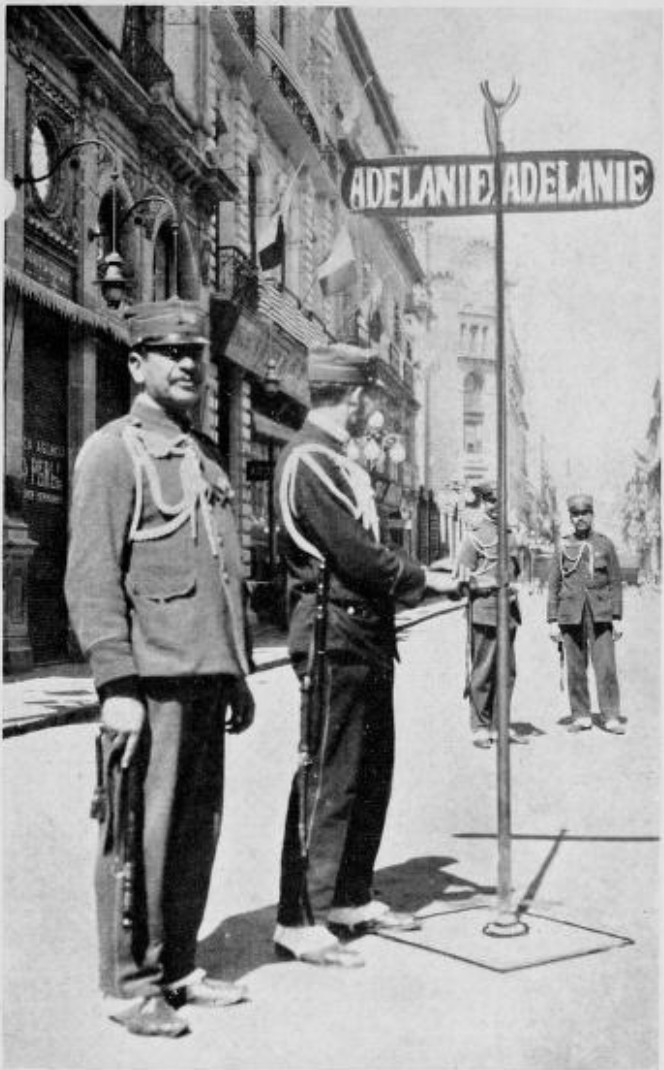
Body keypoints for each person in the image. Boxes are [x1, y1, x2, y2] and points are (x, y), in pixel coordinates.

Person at [65, 297, 256, 1038]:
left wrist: (235, 671)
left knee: (192, 832)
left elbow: (220, 575)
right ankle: (127, 984)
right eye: (170, 353)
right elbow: (90, 576)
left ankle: (175, 963)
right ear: (136, 363)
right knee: (137, 832)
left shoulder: (201, 455)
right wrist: (114, 683)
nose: (187, 365)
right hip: (148, 683)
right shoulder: (114, 452)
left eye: (196, 355)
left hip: (204, 676)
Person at [272, 342, 470, 968]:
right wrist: (426, 579)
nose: (371, 410)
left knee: (369, 770)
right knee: (330, 777)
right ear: (353, 397)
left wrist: (414, 580)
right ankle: (300, 918)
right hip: (334, 635)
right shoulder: (309, 461)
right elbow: (355, 554)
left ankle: (349, 895)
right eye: (369, 399)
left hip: (363, 635)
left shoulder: (336, 459)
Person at [547, 493, 624, 734]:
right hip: (571, 614)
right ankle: (581, 715)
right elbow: (553, 584)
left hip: (600, 614)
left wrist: (617, 617)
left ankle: (610, 715)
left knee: (606, 666)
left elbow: (615, 582)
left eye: (584, 513)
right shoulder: (563, 545)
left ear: (592, 515)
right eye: (575, 514)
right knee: (575, 667)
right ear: (571, 517)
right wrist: (552, 620)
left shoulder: (605, 544)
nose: (580, 518)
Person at [455, 481, 523, 749]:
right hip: (484, 610)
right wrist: (484, 584)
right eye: (491, 500)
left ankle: (499, 724)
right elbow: (462, 579)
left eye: (500, 500)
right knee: (483, 671)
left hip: (508, 612)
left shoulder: (509, 534)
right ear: (483, 502)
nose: (496, 505)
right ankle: (480, 726)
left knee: (507, 672)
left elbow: (515, 571)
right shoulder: (474, 536)